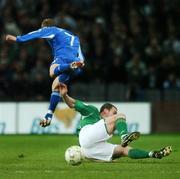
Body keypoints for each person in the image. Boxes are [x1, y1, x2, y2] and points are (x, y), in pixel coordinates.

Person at [59, 83, 172, 162]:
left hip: (88, 150)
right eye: (113, 112)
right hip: (86, 135)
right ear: (104, 112)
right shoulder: (92, 111)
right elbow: (72, 104)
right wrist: (64, 95)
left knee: (123, 150)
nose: (115, 115)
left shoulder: (101, 128)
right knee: (121, 116)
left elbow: (87, 145)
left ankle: (153, 154)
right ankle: (124, 137)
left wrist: (99, 159)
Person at [5, 18, 85, 127]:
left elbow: (37, 33)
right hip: (75, 61)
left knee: (52, 71)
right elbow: (80, 56)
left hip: (63, 58)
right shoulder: (74, 36)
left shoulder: (52, 29)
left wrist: (18, 39)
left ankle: (69, 66)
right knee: (55, 86)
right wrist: (80, 63)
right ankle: (49, 115)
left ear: (45, 27)